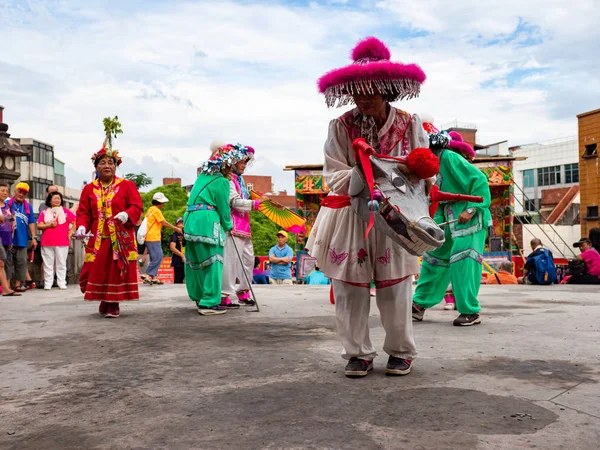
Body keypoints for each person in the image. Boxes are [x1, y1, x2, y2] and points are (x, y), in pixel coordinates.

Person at [306, 36, 429, 378]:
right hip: (349, 215)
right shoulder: (340, 126)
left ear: (388, 89)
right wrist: (364, 170)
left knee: (396, 287)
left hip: (397, 215)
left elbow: (423, 173)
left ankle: (401, 351)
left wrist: (412, 171)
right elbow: (334, 176)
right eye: (357, 90)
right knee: (349, 289)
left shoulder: (410, 123)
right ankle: (357, 353)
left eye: (372, 89)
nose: (364, 97)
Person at [412, 131, 491, 326]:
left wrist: (472, 209)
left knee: (463, 260)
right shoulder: (424, 166)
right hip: (445, 214)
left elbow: (479, 180)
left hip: (469, 217)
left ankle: (470, 311)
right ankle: (419, 304)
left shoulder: (449, 158)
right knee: (434, 257)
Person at [75, 145, 143, 318]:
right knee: (96, 271)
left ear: (116, 166)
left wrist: (127, 215)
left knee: (115, 271)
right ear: (96, 167)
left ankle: (113, 303)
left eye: (111, 163)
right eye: (103, 162)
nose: (107, 165)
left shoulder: (127, 186)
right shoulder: (89, 189)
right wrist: (82, 226)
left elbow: (137, 206)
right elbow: (83, 212)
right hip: (98, 238)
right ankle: (104, 298)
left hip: (119, 237)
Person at [184, 142, 236, 315]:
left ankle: (199, 297)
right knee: (214, 262)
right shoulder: (222, 182)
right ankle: (209, 302)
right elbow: (223, 208)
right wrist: (228, 225)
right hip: (207, 222)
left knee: (196, 262)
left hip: (190, 220)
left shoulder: (201, 177)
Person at [221, 143, 265, 307]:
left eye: (246, 163)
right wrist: (258, 204)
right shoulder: (227, 181)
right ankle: (224, 294)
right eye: (242, 162)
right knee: (231, 261)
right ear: (233, 162)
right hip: (232, 226)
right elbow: (235, 202)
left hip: (244, 227)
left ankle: (243, 291)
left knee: (248, 260)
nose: (244, 166)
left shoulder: (241, 181)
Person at [37, 191, 76, 290]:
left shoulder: (66, 212)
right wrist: (49, 225)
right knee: (48, 263)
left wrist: (70, 233)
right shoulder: (44, 212)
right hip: (47, 241)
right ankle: (48, 282)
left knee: (61, 262)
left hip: (62, 241)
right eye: (55, 198)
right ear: (50, 200)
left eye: (59, 198)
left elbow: (75, 222)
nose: (57, 200)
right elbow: (39, 225)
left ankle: (61, 282)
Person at [142, 192, 181, 286]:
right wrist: (176, 228)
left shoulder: (150, 209)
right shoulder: (156, 210)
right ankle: (147, 274)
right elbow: (164, 222)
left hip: (149, 237)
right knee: (158, 257)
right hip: (154, 237)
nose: (164, 204)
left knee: (154, 257)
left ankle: (154, 277)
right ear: (160, 202)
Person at [7, 182, 37, 292]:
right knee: (8, 262)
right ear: (15, 191)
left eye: (24, 193)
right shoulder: (7, 203)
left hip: (22, 239)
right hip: (8, 238)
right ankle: (7, 285)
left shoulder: (28, 207)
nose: (21, 195)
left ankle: (18, 284)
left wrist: (34, 237)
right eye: (19, 192)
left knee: (21, 262)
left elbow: (31, 222)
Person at [0, 183, 20, 296]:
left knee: (6, 262)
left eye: (6, 191)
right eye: (2, 190)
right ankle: (5, 288)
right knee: (1, 262)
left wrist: (12, 238)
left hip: (7, 236)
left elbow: (13, 222)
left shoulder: (8, 207)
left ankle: (6, 287)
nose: (5, 193)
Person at [169, 217, 186, 284]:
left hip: (188, 259)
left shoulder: (186, 234)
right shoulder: (174, 235)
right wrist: (182, 256)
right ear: (176, 225)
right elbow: (172, 248)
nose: (180, 225)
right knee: (178, 279)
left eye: (182, 223)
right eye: (179, 224)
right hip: (178, 260)